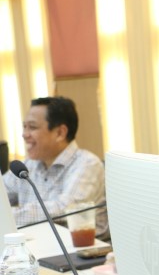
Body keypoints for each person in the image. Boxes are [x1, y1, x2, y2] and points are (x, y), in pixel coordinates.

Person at [3, 96, 107, 237]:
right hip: (36, 243)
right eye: (24, 127)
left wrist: (8, 216)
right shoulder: (28, 165)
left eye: (32, 127)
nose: (24, 134)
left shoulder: (88, 164)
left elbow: (65, 208)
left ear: (60, 133)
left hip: (76, 248)